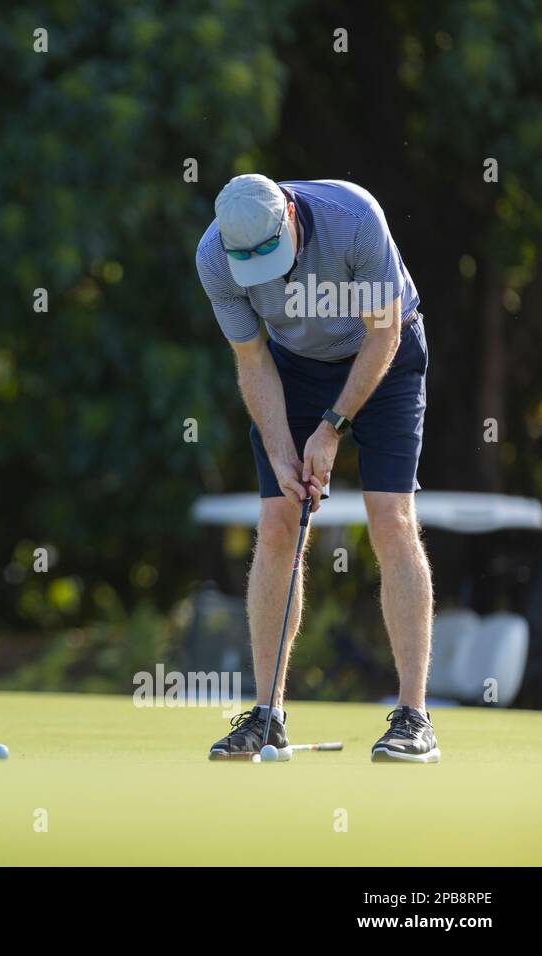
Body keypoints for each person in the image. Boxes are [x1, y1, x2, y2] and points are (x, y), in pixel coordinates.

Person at [195, 174, 438, 763]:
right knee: (278, 521)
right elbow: (252, 359)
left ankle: (414, 718)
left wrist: (331, 428)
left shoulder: (353, 219)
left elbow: (383, 333)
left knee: (390, 519)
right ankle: (267, 715)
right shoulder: (214, 257)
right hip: (294, 367)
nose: (269, 275)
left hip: (383, 353)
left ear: (292, 219)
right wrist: (282, 449)